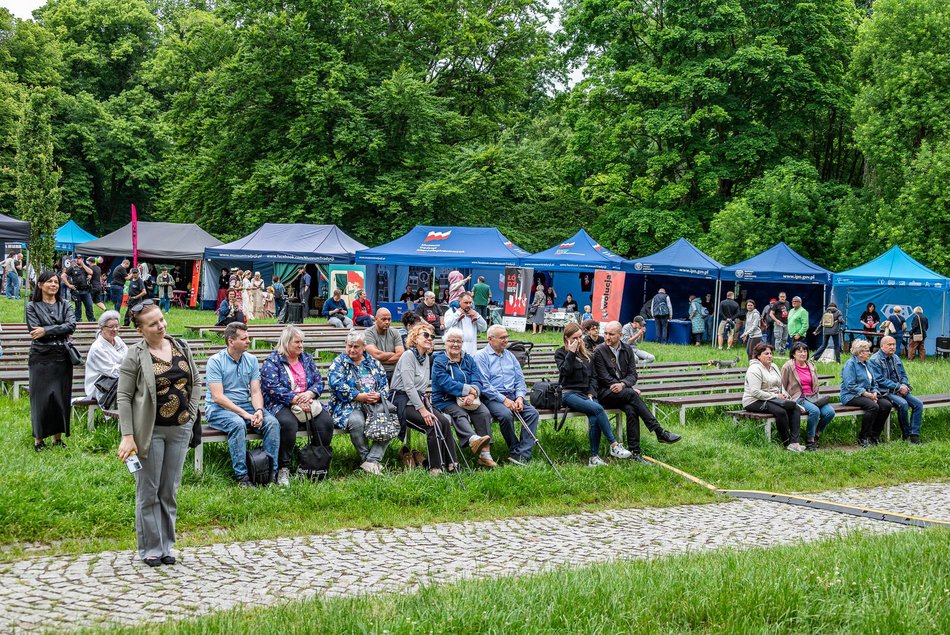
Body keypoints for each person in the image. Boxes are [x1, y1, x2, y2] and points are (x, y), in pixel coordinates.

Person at [116, 301, 199, 566]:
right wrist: (127, 435)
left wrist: (191, 415)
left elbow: (195, 383)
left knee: (169, 490)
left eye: (161, 320)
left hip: (180, 428)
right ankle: (150, 547)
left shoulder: (180, 346)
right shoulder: (135, 354)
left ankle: (167, 546)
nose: (161, 326)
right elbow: (124, 396)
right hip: (149, 432)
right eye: (153, 324)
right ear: (140, 330)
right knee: (149, 491)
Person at [592, 321, 682, 461]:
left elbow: (633, 375)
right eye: (606, 333)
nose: (607, 337)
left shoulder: (627, 349)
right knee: (632, 394)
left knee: (631, 409)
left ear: (620, 335)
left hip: (622, 392)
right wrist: (624, 386)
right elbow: (604, 377)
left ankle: (635, 452)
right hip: (604, 393)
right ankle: (659, 431)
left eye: (611, 334)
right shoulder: (599, 351)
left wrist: (623, 384)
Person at [205, 322, 280, 485]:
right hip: (219, 409)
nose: (248, 341)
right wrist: (246, 414)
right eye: (244, 338)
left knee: (272, 423)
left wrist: (259, 410)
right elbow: (218, 397)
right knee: (238, 424)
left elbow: (255, 391)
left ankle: (269, 473)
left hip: (244, 405)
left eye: (248, 337)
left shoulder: (251, 360)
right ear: (231, 341)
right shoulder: (215, 361)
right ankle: (243, 477)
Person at [260, 325, 335, 486]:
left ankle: (314, 464)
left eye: (302, 342)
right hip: (280, 403)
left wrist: (309, 395)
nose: (301, 345)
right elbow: (272, 387)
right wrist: (296, 399)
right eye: (297, 342)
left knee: (326, 423)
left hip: (308, 401)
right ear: (286, 343)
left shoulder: (306, 359)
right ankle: (284, 468)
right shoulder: (273, 361)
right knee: (287, 424)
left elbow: (318, 382)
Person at [555, 323, 633, 466]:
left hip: (587, 394)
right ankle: (614, 445)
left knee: (594, 418)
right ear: (566, 338)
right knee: (598, 409)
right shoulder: (561, 353)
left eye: (580, 337)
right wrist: (571, 353)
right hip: (568, 394)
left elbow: (593, 377)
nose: (579, 341)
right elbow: (565, 372)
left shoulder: (587, 354)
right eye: (575, 338)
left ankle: (593, 458)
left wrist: (591, 392)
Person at [390, 323, 458, 475]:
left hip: (417, 400)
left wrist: (423, 404)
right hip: (401, 401)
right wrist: (423, 410)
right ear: (415, 338)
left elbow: (419, 387)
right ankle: (435, 467)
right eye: (425, 335)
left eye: (432, 336)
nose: (429, 338)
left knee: (444, 422)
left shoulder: (426, 357)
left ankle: (452, 463)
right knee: (432, 425)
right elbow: (408, 387)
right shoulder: (408, 355)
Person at [327, 330, 393, 474]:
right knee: (357, 422)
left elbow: (384, 385)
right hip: (348, 406)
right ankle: (366, 460)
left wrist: (378, 395)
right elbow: (336, 384)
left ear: (364, 347)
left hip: (374, 404)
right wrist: (359, 396)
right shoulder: (339, 363)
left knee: (390, 419)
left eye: (356, 346)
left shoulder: (373, 363)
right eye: (349, 346)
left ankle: (372, 460)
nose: (352, 349)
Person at [474, 325, 540, 465]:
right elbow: (485, 385)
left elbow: (519, 380)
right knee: (505, 415)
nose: (506, 340)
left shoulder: (509, 355)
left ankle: (522, 454)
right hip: (492, 398)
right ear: (490, 339)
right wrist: (504, 400)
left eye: (507, 337)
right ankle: (515, 450)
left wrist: (520, 397)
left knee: (532, 413)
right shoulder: (481, 357)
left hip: (513, 396)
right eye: (502, 337)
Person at [26, 271, 77, 451]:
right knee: (41, 398)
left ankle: (57, 438)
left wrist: (46, 330)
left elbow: (71, 325)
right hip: (41, 356)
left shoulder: (65, 305)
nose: (54, 284)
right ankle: (39, 440)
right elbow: (34, 331)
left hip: (62, 356)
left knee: (60, 398)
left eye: (56, 282)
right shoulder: (31, 306)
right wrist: (59, 329)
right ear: (40, 285)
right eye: (49, 281)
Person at [431, 327, 495, 467]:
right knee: (460, 414)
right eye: (452, 341)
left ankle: (485, 455)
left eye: (459, 341)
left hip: (470, 399)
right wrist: (468, 391)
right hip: (444, 400)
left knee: (484, 413)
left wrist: (473, 394)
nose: (455, 344)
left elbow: (477, 379)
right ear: (445, 343)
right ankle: (473, 440)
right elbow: (445, 383)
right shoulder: (439, 361)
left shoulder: (468, 359)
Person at [742, 343, 804, 451]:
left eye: (771, 353)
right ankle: (786, 443)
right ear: (758, 356)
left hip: (774, 398)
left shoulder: (774, 367)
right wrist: (775, 396)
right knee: (781, 411)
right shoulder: (754, 369)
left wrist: (785, 395)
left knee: (794, 408)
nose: (770, 356)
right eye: (766, 353)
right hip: (754, 400)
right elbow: (755, 392)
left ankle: (795, 442)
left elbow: (780, 385)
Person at [781, 343, 835, 451]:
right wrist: (786, 398)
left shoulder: (811, 365)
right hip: (798, 397)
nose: (803, 354)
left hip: (813, 396)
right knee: (815, 411)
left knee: (830, 412)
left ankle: (816, 435)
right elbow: (782, 384)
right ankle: (810, 440)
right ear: (793, 354)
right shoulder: (788, 366)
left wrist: (817, 395)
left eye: (805, 351)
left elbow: (815, 383)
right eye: (800, 351)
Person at [870, 336, 923, 443]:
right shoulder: (875, 360)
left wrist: (904, 385)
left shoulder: (896, 357)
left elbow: (903, 374)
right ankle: (906, 435)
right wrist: (898, 387)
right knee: (903, 404)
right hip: (886, 391)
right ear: (882, 346)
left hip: (900, 389)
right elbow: (879, 380)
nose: (892, 347)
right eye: (889, 345)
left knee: (918, 404)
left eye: (894, 344)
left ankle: (914, 435)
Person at [840, 339, 893, 447]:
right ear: (860, 353)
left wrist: (874, 391)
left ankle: (875, 435)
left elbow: (874, 382)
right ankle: (863, 437)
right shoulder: (850, 364)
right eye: (867, 351)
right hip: (850, 395)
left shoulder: (867, 364)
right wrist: (865, 394)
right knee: (873, 406)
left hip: (867, 394)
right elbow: (849, 385)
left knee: (886, 405)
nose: (870, 353)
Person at [84, 310, 128, 403]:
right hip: (100, 386)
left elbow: (128, 358)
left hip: (119, 381)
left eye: (117, 326)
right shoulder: (97, 348)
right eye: (111, 326)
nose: (115, 329)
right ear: (102, 328)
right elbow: (112, 372)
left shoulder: (118, 340)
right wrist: (130, 368)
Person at [364, 307, 405, 381]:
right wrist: (392, 354)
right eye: (384, 319)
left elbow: (401, 354)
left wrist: (381, 360)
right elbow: (376, 354)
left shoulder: (395, 332)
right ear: (376, 319)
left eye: (389, 319)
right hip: (376, 372)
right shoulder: (369, 333)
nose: (387, 322)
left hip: (395, 372)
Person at [62, 256, 94, 322]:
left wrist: (83, 265)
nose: (78, 259)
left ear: (82, 259)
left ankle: (91, 321)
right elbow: (63, 276)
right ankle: (77, 321)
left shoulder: (85, 268)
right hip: (76, 290)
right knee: (78, 307)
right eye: (77, 258)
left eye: (80, 258)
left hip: (86, 290)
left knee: (89, 306)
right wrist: (69, 285)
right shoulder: (72, 268)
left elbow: (91, 272)